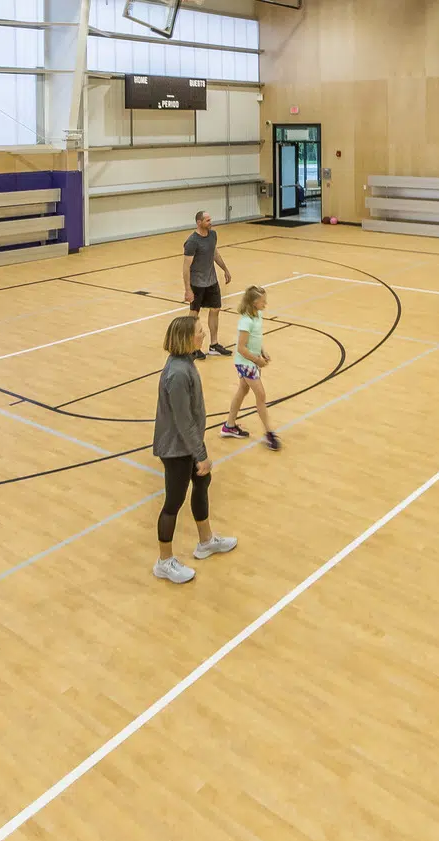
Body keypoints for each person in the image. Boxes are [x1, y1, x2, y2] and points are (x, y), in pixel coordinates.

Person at [152, 315, 236, 584]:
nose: (203, 335)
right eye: (200, 331)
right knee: (173, 502)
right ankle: (164, 562)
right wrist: (200, 455)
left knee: (202, 482)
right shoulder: (177, 373)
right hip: (176, 448)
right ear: (187, 338)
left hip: (188, 442)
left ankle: (206, 541)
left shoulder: (185, 362)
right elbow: (183, 419)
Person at [220, 285, 283, 451]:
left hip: (252, 361)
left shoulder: (258, 315)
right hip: (246, 363)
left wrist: (262, 351)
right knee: (261, 395)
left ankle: (229, 425)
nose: (265, 304)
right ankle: (269, 433)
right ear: (254, 302)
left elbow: (256, 339)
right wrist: (257, 360)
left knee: (242, 390)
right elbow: (241, 348)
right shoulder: (245, 321)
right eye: (263, 301)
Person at [182, 210, 233, 360]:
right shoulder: (192, 242)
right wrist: (188, 289)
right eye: (208, 220)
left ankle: (214, 345)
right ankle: (192, 347)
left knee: (215, 309)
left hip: (211, 281)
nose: (211, 222)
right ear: (199, 222)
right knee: (194, 314)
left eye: (210, 219)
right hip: (197, 283)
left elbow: (215, 253)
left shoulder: (213, 235)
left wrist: (225, 269)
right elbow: (186, 267)